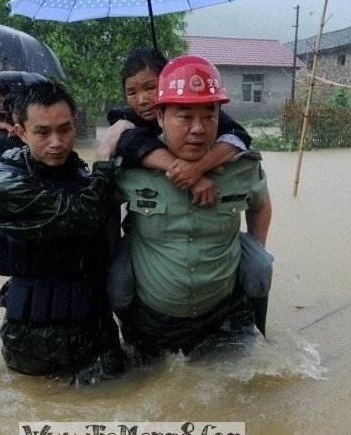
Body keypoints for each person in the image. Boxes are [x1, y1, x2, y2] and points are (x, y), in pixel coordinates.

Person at [111, 55, 273, 358]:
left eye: (208, 116)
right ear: (160, 117)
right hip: (152, 320)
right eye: (184, 117)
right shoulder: (131, 165)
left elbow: (261, 205)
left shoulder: (242, 165)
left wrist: (255, 246)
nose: (198, 129)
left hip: (222, 314)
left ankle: (260, 325)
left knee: (260, 265)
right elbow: (104, 212)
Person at [0, 81, 124, 382]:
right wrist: (106, 155)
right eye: (42, 132)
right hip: (34, 341)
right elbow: (81, 214)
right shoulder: (6, 182)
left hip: (95, 334)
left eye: (65, 129)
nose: (56, 142)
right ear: (19, 132)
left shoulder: (80, 175)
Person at [100, 49, 253, 207]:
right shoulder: (126, 123)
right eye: (132, 93)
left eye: (150, 88)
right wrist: (187, 174)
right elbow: (132, 143)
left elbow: (239, 136)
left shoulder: (200, 113)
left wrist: (197, 168)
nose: (142, 100)